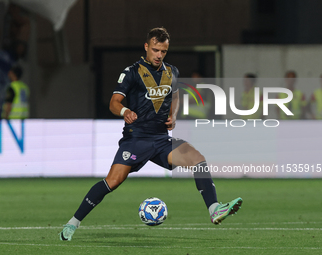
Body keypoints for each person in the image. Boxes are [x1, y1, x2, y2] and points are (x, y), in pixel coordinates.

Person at [59, 27, 243, 241]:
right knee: (113, 181)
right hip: (136, 139)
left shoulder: (172, 71)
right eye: (155, 50)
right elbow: (113, 103)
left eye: (163, 51)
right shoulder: (131, 72)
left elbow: (175, 96)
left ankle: (214, 209)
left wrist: (173, 116)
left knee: (198, 159)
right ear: (146, 47)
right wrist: (125, 111)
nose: (159, 55)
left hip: (160, 140)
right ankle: (73, 222)